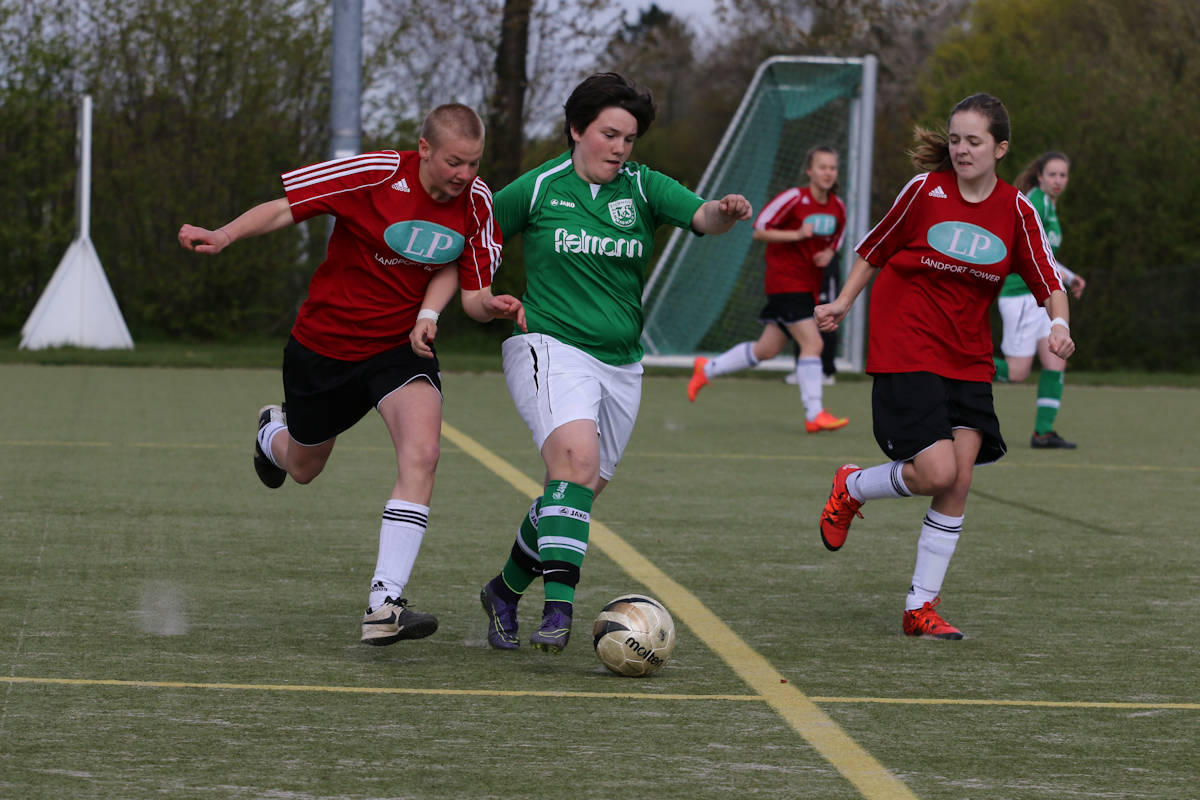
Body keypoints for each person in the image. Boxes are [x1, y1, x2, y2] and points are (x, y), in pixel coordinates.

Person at [177, 104, 524, 647]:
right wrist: (224, 235)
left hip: (399, 347)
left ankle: (383, 605)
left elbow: (470, 287)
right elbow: (284, 208)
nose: (465, 175)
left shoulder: (478, 203)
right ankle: (274, 433)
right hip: (325, 346)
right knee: (304, 467)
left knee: (423, 452)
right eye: (455, 162)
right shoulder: (373, 173)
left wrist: (486, 309)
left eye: (474, 164)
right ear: (425, 148)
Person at [477, 73, 752, 653]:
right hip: (550, 347)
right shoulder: (537, 189)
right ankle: (559, 609)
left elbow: (702, 217)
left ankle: (503, 591)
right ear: (577, 129)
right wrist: (479, 299)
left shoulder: (644, 188)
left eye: (629, 138)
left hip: (622, 364)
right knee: (575, 463)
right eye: (608, 134)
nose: (620, 148)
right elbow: (474, 240)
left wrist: (725, 212)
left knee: (577, 490)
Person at [813, 93, 1074, 640]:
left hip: (969, 357)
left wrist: (1059, 325)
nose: (961, 150)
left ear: (1000, 148)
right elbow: (874, 249)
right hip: (907, 344)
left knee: (958, 481)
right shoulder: (924, 192)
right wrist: (843, 304)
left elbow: (1048, 280)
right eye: (954, 140)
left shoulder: (1017, 210)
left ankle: (919, 607)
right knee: (935, 472)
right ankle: (853, 486)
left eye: (974, 141)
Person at [687, 146, 849, 433]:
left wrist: (828, 254)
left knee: (767, 349)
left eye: (832, 168)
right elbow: (760, 228)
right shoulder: (794, 199)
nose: (828, 173)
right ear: (809, 170)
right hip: (785, 282)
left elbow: (835, 242)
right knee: (813, 344)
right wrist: (796, 234)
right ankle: (815, 413)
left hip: (807, 285)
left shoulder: (837, 207)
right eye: (822, 167)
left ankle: (706, 369)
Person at [995, 151, 1086, 448]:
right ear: (1040, 176)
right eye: (1052, 175)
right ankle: (955, 360)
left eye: (1063, 175)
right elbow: (1025, 252)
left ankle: (1043, 433)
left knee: (1055, 359)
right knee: (1018, 372)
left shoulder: (1048, 205)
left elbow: (1044, 256)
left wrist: (1069, 277)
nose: (1058, 180)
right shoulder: (1035, 202)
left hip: (1039, 296)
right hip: (1020, 294)